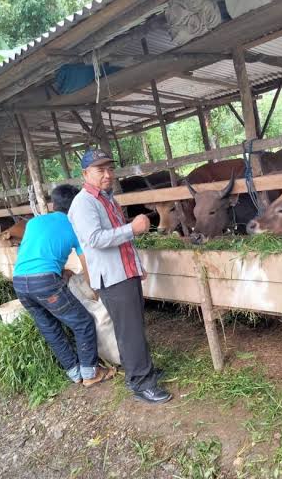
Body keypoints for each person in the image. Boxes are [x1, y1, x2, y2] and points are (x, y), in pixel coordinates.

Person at [68, 149, 172, 405]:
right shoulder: (83, 203)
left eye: (109, 169)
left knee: (134, 326)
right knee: (130, 331)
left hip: (125, 272)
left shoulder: (107, 200)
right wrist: (132, 228)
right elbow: (94, 239)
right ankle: (141, 383)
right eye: (100, 170)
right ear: (85, 174)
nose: (107, 174)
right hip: (112, 278)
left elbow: (120, 239)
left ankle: (142, 371)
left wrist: (137, 265)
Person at [12, 184, 115, 387]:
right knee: (83, 322)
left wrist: (59, 271)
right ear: (76, 204)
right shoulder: (75, 226)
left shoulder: (34, 223)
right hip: (44, 282)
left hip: (20, 281)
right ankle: (90, 373)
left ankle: (75, 373)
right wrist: (94, 289)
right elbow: (86, 263)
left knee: (50, 328)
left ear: (54, 204)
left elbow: (33, 252)